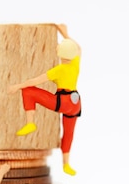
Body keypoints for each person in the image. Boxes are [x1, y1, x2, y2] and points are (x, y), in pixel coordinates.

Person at [7, 23, 82, 176]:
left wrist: (18, 86)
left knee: (28, 91)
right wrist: (65, 33)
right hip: (75, 104)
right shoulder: (75, 65)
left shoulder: (59, 70)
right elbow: (78, 49)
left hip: (62, 102)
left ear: (60, 54)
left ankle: (30, 123)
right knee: (69, 134)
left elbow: (35, 81)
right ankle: (66, 164)